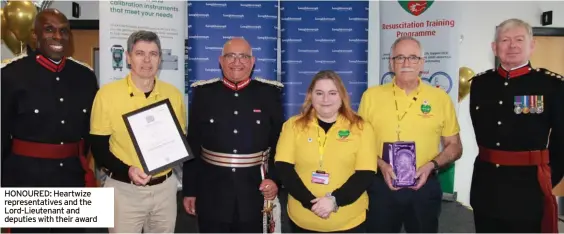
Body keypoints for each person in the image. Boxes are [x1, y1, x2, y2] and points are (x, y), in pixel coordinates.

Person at [1, 9, 98, 233]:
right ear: (35, 36)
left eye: (64, 31)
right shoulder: (10, 75)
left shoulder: (85, 77)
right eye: (49, 30)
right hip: (27, 182)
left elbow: (89, 133)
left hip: (72, 180)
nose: (57, 36)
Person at [359, 36, 462, 233]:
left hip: (424, 185)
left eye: (413, 58)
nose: (406, 63)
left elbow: (455, 146)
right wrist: (381, 164)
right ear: (391, 62)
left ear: (422, 63)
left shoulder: (440, 98)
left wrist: (431, 166)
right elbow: (360, 144)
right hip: (381, 185)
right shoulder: (371, 97)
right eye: (400, 58)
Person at [469, 18, 563, 233]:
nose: (512, 46)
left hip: (528, 190)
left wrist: (547, 179)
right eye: (505, 40)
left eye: (519, 39)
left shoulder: (551, 85)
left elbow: (561, 140)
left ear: (532, 45)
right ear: (495, 47)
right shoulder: (480, 84)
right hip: (486, 187)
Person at [182, 37, 283, 233]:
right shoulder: (204, 94)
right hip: (212, 194)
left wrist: (275, 179)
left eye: (243, 56)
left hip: (255, 193)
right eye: (230, 56)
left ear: (252, 62)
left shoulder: (269, 94)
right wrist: (190, 191)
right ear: (220, 60)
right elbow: (193, 144)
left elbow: (280, 144)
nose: (237, 62)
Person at [89, 30, 186, 233]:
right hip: (124, 190)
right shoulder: (107, 95)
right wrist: (128, 171)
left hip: (165, 190)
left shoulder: (173, 95)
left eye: (153, 54)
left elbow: (179, 139)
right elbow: (98, 148)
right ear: (128, 57)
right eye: (140, 53)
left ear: (160, 58)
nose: (147, 60)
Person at [274, 70, 377, 233]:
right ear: (310, 96)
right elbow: (283, 168)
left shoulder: (361, 127)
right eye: (319, 93)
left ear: (342, 96)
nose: (326, 99)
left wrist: (334, 201)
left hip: (349, 222)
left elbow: (365, 173)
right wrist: (311, 203)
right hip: (303, 220)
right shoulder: (292, 126)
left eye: (332, 93)